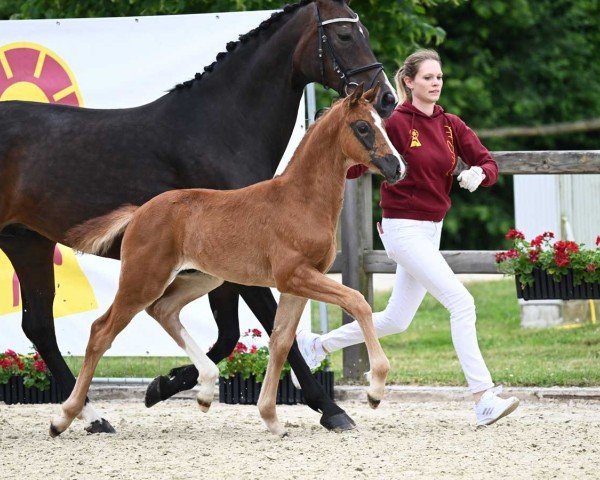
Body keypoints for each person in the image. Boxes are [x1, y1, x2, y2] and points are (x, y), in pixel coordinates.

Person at [295, 49, 519, 427]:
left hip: (432, 230)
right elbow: (359, 159)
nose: (436, 83)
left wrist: (481, 175)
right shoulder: (395, 122)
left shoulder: (451, 125)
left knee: (397, 319)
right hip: (402, 228)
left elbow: (488, 162)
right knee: (462, 303)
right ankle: (483, 398)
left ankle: (316, 345)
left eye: (440, 77)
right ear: (409, 82)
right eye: (428, 77)